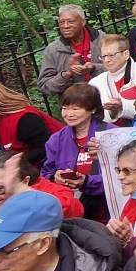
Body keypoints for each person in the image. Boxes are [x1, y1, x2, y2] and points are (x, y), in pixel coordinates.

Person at [41, 83, 113, 220]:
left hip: (107, 209)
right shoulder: (56, 140)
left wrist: (86, 182)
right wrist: (54, 178)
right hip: (73, 211)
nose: (69, 114)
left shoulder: (111, 134)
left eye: (76, 108)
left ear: (92, 109)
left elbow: (122, 177)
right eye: (64, 108)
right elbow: (45, 174)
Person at [37, 4, 104, 97]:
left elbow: (123, 67)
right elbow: (45, 87)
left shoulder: (102, 40)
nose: (65, 26)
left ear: (83, 22)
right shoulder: (53, 50)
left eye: (71, 22)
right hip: (77, 107)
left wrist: (94, 68)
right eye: (61, 22)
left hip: (106, 100)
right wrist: (67, 74)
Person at [89, 33, 136, 124]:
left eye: (111, 55)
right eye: (103, 56)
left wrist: (121, 106)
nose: (107, 60)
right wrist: (112, 112)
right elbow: (95, 116)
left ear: (126, 54)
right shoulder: (95, 83)